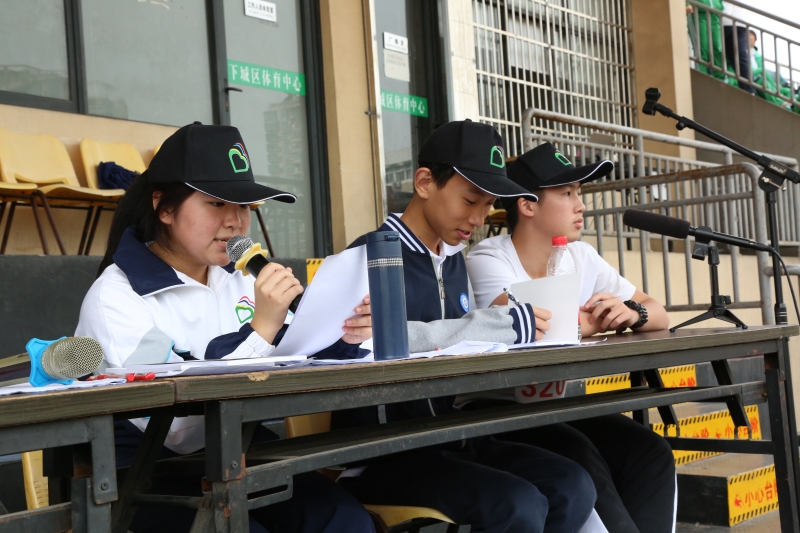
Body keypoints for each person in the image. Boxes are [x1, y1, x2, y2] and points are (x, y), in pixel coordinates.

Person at [76, 123, 376, 533]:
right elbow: (176, 426)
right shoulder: (116, 298)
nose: (235, 221)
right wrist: (261, 329)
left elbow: (298, 354)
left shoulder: (241, 276)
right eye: (217, 203)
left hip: (242, 451)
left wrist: (344, 334)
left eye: (245, 206)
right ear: (164, 208)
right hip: (150, 475)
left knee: (343, 519)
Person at [334, 120, 605, 533]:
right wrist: (497, 325)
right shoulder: (369, 257)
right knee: (517, 504)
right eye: (470, 200)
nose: (478, 217)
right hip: (383, 452)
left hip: (450, 436)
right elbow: (363, 348)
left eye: (488, 204)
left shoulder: (452, 258)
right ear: (425, 182)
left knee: (572, 484)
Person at [465, 142, 676, 533]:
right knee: (580, 455)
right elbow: (526, 324)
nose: (580, 205)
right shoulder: (487, 258)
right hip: (494, 411)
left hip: (560, 407)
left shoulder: (582, 255)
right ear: (527, 205)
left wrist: (633, 313)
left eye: (579, 193)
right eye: (566, 194)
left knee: (649, 449)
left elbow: (657, 311)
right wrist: (602, 318)